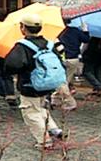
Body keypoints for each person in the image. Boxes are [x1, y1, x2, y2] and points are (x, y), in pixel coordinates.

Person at [4, 14, 63, 150]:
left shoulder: (22, 46)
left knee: (30, 112)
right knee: (40, 107)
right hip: (48, 83)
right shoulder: (49, 44)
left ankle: (44, 141)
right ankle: (54, 130)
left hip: (29, 84)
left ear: (23, 28)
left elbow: (12, 65)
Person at [52, 18, 90, 110]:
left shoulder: (56, 32)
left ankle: (67, 101)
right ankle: (56, 99)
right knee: (65, 81)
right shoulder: (75, 31)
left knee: (61, 81)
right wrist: (85, 30)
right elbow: (86, 39)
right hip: (73, 58)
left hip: (60, 58)